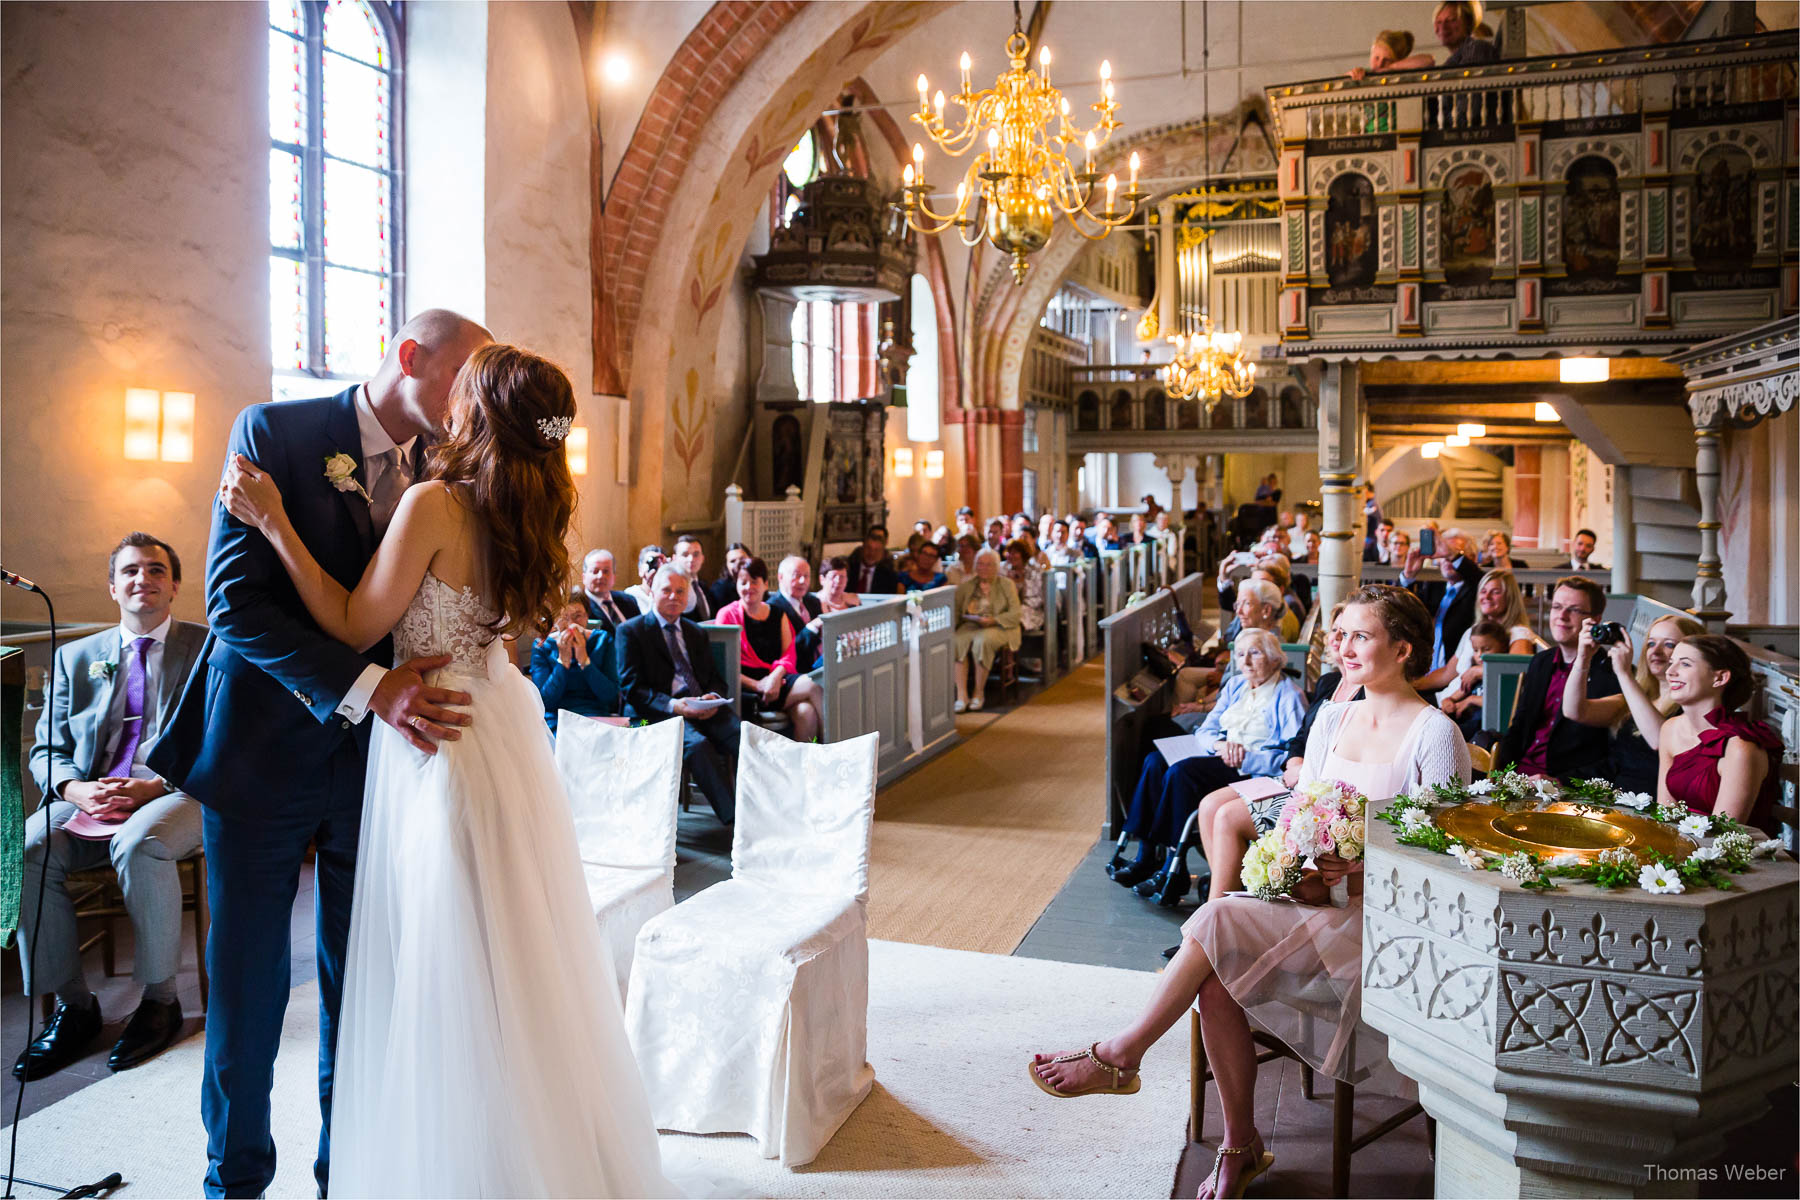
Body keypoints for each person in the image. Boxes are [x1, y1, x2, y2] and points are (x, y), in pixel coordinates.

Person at [212, 341, 672, 1195]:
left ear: (479, 412)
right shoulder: (525, 513)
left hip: (433, 739)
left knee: (437, 963)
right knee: (505, 955)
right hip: (495, 731)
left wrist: (274, 521)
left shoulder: (435, 501)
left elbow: (353, 626)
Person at [148, 308, 491, 1198]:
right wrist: (371, 687)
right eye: (463, 379)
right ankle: (237, 1179)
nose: (470, 406)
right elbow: (233, 606)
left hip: (380, 766)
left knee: (364, 984)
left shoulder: (449, 469)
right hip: (261, 755)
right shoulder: (277, 431)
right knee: (250, 992)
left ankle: (349, 1172)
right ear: (409, 357)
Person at [1032, 584, 1470, 1200]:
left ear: (1403, 649)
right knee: (1216, 964)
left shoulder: (1435, 735)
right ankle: (1236, 1143)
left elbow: (1443, 863)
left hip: (1385, 927)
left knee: (1215, 931)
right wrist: (1295, 869)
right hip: (1315, 902)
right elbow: (1301, 818)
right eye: (1339, 634)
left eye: (1360, 636)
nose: (1343, 647)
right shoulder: (1333, 717)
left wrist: (1358, 875)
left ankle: (1126, 1057)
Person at [16, 532, 206, 1082]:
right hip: (91, 793)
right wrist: (76, 789)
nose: (141, 579)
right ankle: (74, 1007)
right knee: (26, 848)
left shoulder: (208, 647)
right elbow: (46, 751)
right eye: (129, 571)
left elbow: (224, 740)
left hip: (178, 791)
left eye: (154, 570)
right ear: (112, 588)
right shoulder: (76, 657)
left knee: (139, 843)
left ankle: (160, 1001)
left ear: (174, 585)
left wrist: (157, 784)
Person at [1110, 630, 1305, 908]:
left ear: (1275, 660)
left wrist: (1245, 757)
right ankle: (1146, 854)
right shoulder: (1236, 685)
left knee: (1182, 773)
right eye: (1240, 654)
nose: (1246, 661)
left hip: (1249, 769)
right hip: (1217, 755)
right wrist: (1219, 744)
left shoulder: (1289, 696)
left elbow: (1290, 754)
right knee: (1155, 761)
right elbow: (1206, 728)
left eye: (1255, 653)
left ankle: (1172, 869)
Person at [1182, 609, 1360, 909]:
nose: (1336, 640)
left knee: (1226, 814)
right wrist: (1294, 761)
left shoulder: (1364, 694)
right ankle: (1225, 892)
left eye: (1349, 635)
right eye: (1335, 632)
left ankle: (1214, 913)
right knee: (1209, 804)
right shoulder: (1330, 682)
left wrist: (1299, 769)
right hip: (1293, 775)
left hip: (1317, 790)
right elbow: (1300, 737)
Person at [619, 563, 743, 825]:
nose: (674, 597)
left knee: (744, 737)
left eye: (680, 591)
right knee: (698, 747)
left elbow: (715, 680)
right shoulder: (631, 631)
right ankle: (735, 821)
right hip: (654, 715)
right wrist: (675, 706)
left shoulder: (695, 631)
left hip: (701, 707)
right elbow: (631, 688)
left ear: (688, 597)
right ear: (653, 592)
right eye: (667, 590)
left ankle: (765, 809)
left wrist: (712, 696)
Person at [1493, 576, 1619, 783]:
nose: (1562, 616)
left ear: (1595, 620)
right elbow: (1519, 725)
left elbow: (1612, 758)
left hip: (1565, 784)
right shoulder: (1541, 662)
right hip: (1519, 775)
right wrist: (1502, 773)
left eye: (1574, 610)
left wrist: (1561, 782)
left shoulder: (1612, 673)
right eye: (1557, 607)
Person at [1564, 614, 1703, 794]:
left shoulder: (1690, 707)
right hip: (1613, 792)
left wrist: (1624, 674)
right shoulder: (1634, 699)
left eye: (1669, 644)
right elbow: (1574, 711)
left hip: (1648, 802)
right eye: (1651, 644)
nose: (1656, 651)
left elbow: (1658, 741)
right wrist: (1583, 658)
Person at [1659, 634, 1781, 832]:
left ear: (1720, 678)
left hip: (1725, 856)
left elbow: (1723, 835)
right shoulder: (1670, 729)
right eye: (1671, 663)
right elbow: (1664, 815)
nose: (1670, 672)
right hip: (1677, 846)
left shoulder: (1740, 747)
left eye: (1685, 664)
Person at [715, 556, 823, 742]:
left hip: (778, 681)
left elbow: (789, 655)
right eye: (743, 582)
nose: (749, 587)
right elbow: (724, 666)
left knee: (807, 712)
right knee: (814, 683)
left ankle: (803, 768)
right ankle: (836, 747)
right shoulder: (727, 614)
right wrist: (759, 685)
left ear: (765, 584)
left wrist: (774, 677)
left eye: (754, 581)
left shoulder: (777, 613)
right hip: (747, 688)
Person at [1412, 567, 1538, 697]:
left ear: (1510, 597)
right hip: (1447, 696)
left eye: (1495, 592)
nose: (1487, 597)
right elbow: (1447, 673)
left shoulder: (1519, 633)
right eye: (1483, 591)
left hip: (1465, 706)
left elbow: (1515, 670)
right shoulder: (1475, 630)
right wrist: (1412, 684)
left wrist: (1477, 671)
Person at [531, 599, 621, 730]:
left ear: (587, 617)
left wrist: (584, 660)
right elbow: (545, 703)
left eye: (577, 616)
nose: (572, 624)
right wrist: (563, 662)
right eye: (564, 617)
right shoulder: (542, 645)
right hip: (558, 720)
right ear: (555, 620)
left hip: (596, 717)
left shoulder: (602, 640)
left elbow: (611, 697)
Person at [952, 547, 1021, 712]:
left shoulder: (1007, 584)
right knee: (956, 641)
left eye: (989, 565)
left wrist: (994, 620)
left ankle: (979, 692)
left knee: (982, 642)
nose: (984, 568)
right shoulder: (966, 586)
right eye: (980, 564)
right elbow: (956, 613)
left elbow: (1015, 614)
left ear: (996, 567)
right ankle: (962, 695)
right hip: (971, 625)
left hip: (1001, 626)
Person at [1397, 544, 1481, 677]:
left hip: (1454, 676)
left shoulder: (1477, 589)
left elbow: (1478, 577)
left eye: (1452, 554)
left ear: (1471, 559)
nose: (1447, 560)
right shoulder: (1433, 587)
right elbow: (1402, 609)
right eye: (1443, 555)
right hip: (1422, 671)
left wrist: (1453, 555)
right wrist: (1409, 576)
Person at [1436, 620, 1510, 738]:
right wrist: (1448, 701)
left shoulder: (1503, 676)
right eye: (1476, 650)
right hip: (1467, 722)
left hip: (1485, 728)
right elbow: (1456, 695)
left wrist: (1471, 699)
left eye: (1486, 649)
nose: (1480, 655)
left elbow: (1502, 703)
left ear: (1503, 647)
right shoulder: (1474, 676)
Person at [771, 554, 825, 671]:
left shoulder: (813, 601)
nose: (803, 581)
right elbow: (785, 652)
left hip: (821, 663)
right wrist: (811, 628)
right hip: (795, 671)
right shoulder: (773, 608)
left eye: (806, 576)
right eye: (796, 576)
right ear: (780, 577)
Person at [580, 547, 641, 633]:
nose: (601, 576)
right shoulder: (580, 607)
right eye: (595, 571)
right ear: (584, 577)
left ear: (614, 577)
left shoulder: (629, 600)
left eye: (606, 571)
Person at [1349, 28, 1434, 79]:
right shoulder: (1366, 74)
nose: (1380, 64)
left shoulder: (1402, 75)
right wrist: (1352, 73)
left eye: (1387, 60)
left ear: (1399, 60)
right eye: (1376, 58)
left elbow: (1428, 60)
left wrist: (1392, 67)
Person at [1003, 538, 1046, 635]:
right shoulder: (1003, 569)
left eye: (1015, 553)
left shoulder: (1034, 570)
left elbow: (1038, 598)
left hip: (1030, 611)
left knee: (1016, 617)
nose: (1011, 556)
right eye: (1009, 552)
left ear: (1023, 554)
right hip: (1007, 608)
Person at [1435, 0, 1497, 65]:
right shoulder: (1453, 60)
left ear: (1468, 23)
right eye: (1439, 22)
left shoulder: (1477, 49)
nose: (1443, 26)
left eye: (1451, 20)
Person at [671, 534, 714, 620]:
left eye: (696, 554)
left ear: (702, 559)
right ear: (674, 559)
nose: (691, 559)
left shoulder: (704, 587)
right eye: (685, 554)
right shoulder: (671, 590)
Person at [851, 526, 900, 594]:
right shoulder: (850, 569)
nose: (872, 553)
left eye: (876, 550)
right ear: (862, 548)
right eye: (868, 548)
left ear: (882, 553)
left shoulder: (889, 576)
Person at [707, 541, 751, 613]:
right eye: (733, 561)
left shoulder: (758, 582)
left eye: (742, 559)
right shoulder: (719, 588)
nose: (738, 564)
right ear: (726, 566)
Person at [623, 543, 667, 612]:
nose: (655, 568)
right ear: (640, 569)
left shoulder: (669, 595)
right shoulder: (631, 595)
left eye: (660, 563)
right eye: (651, 563)